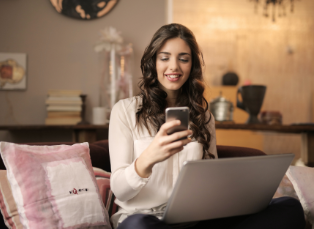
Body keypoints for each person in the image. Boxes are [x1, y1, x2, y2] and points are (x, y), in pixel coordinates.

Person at [109, 23, 305, 229]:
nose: (174, 66)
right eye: (164, 58)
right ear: (153, 63)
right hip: (145, 219)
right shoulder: (125, 111)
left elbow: (210, 182)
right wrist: (149, 158)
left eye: (183, 59)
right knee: (139, 226)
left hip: (194, 220)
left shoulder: (204, 118)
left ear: (192, 65)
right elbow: (120, 190)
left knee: (289, 208)